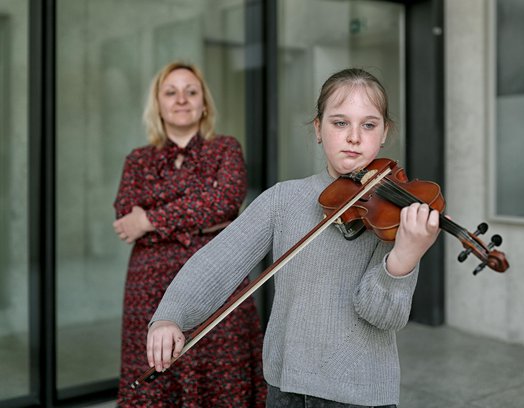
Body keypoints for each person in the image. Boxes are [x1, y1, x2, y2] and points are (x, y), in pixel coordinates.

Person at [146, 68, 441, 407]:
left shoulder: (396, 214)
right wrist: (172, 315)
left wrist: (403, 258)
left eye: (369, 125)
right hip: (286, 389)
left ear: (384, 132)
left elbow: (380, 314)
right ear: (318, 128)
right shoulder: (283, 199)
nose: (354, 137)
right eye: (340, 123)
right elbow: (220, 259)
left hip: (361, 393)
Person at [113, 61, 267, 407]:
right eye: (171, 92)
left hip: (217, 278)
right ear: (158, 104)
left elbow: (223, 204)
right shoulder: (137, 160)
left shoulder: (225, 148)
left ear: (204, 103)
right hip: (148, 287)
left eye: (191, 91)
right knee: (155, 376)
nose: (181, 99)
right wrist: (196, 212)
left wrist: (150, 220)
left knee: (222, 374)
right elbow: (125, 215)